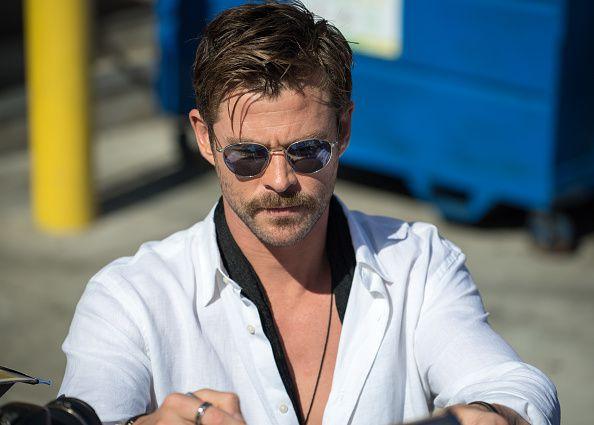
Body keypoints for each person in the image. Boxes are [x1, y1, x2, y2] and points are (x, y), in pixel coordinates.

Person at [58, 2, 560, 425]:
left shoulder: (418, 265)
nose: (280, 180)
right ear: (205, 139)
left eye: (306, 151)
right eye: (248, 155)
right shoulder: (129, 300)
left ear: (344, 130)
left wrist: (493, 414)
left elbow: (511, 384)